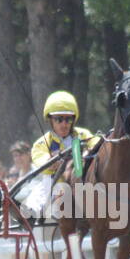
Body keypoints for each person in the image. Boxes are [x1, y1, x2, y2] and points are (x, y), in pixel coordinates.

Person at [24, 90, 98, 219]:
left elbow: (98, 145)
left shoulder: (83, 135)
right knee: (36, 198)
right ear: (50, 120)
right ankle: (26, 215)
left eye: (68, 119)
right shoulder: (42, 143)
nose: (64, 124)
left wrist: (88, 153)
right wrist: (50, 161)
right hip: (53, 187)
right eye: (59, 119)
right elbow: (40, 160)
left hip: (82, 186)